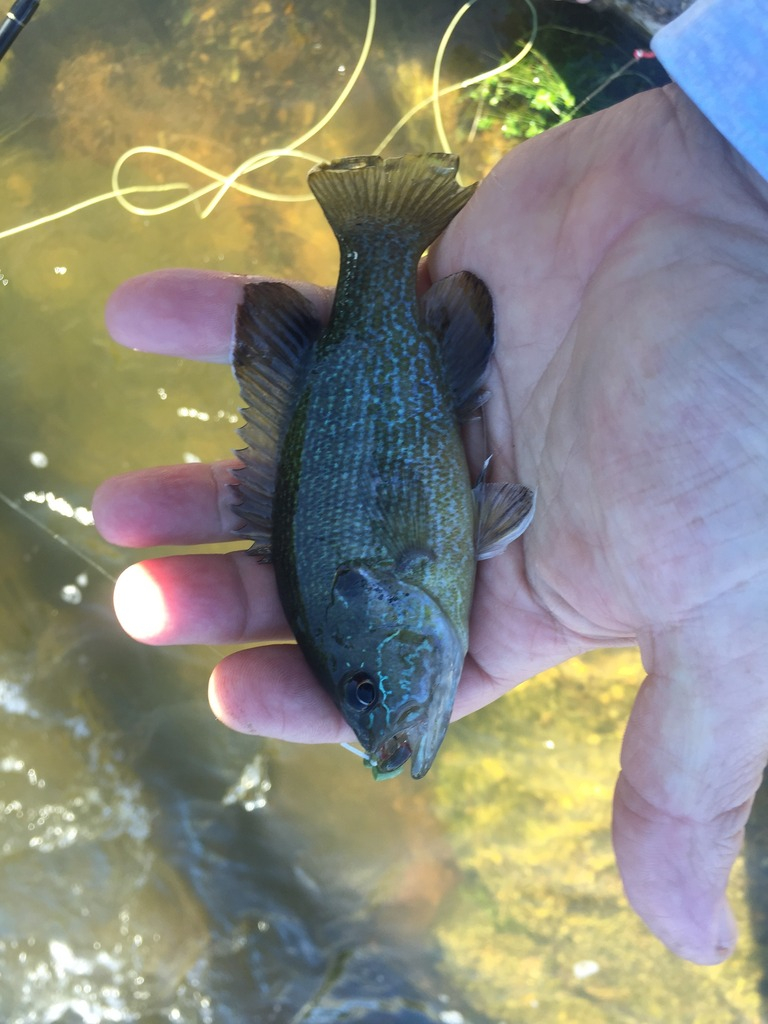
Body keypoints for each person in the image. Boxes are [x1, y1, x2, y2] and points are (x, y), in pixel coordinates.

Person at [92, 1, 768, 967]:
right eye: (369, 699)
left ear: (376, 600)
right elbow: (486, 518)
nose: (389, 719)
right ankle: (383, 240)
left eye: (367, 687)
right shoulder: (408, 583)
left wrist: (738, 170)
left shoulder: (408, 575)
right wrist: (740, 166)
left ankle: (374, 240)